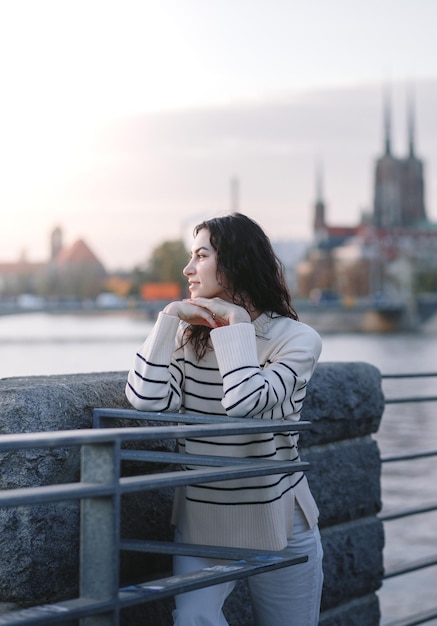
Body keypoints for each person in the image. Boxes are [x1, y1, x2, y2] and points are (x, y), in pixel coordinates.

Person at [125, 212, 324, 625]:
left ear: (235, 264)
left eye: (200, 256)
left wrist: (235, 325)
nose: (188, 269)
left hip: (282, 519)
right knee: (193, 619)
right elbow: (145, 400)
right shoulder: (186, 337)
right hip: (203, 520)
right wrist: (168, 319)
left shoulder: (297, 340)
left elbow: (245, 403)